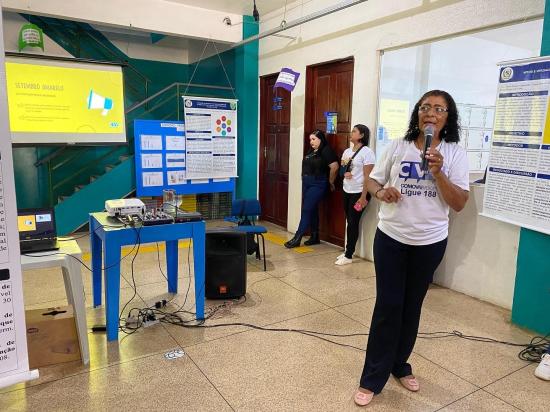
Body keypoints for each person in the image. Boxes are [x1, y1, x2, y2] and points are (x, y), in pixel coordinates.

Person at [353, 90, 470, 406]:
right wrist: (381, 193)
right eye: (425, 107)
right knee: (388, 306)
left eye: (439, 109)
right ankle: (372, 378)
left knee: (411, 306)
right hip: (391, 237)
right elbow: (373, 183)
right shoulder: (397, 146)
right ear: (418, 114)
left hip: (429, 243)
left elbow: (459, 202)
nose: (431, 113)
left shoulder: (455, 153)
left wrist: (439, 172)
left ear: (448, 118)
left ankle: (399, 364)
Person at [285, 130, 338, 248]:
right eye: (310, 139)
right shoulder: (312, 151)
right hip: (307, 183)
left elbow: (334, 167)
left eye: (314, 139)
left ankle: (297, 237)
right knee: (312, 209)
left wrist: (331, 181)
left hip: (318, 183)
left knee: (306, 209)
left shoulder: (326, 150)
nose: (311, 142)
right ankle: (314, 236)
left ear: (321, 139)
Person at [335, 124, 375, 265]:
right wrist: (344, 173)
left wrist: (363, 197)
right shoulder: (347, 151)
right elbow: (343, 169)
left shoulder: (367, 152)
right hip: (347, 190)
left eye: (354, 131)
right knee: (349, 221)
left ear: (362, 135)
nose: (351, 133)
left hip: (359, 192)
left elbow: (367, 177)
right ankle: (347, 251)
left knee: (353, 222)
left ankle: (349, 254)